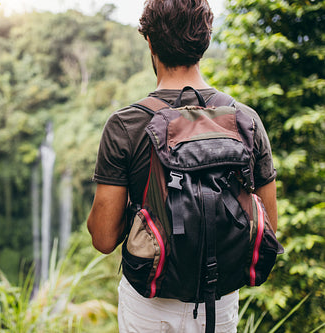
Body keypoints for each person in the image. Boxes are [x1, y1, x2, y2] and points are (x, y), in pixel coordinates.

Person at [86, 0, 278, 332]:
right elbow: (269, 224)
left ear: (149, 42)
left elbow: (103, 237)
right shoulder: (245, 120)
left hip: (149, 301)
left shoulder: (126, 124)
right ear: (205, 41)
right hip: (219, 301)